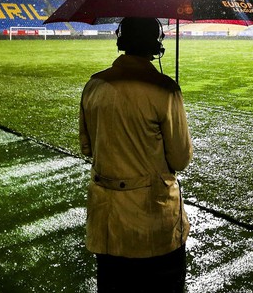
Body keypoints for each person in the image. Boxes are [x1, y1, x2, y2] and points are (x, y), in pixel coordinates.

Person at [79, 17, 192, 293]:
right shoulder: (163, 89)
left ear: (122, 39)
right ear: (157, 43)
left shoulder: (93, 85)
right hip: (154, 222)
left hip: (108, 223)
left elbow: (87, 147)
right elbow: (180, 159)